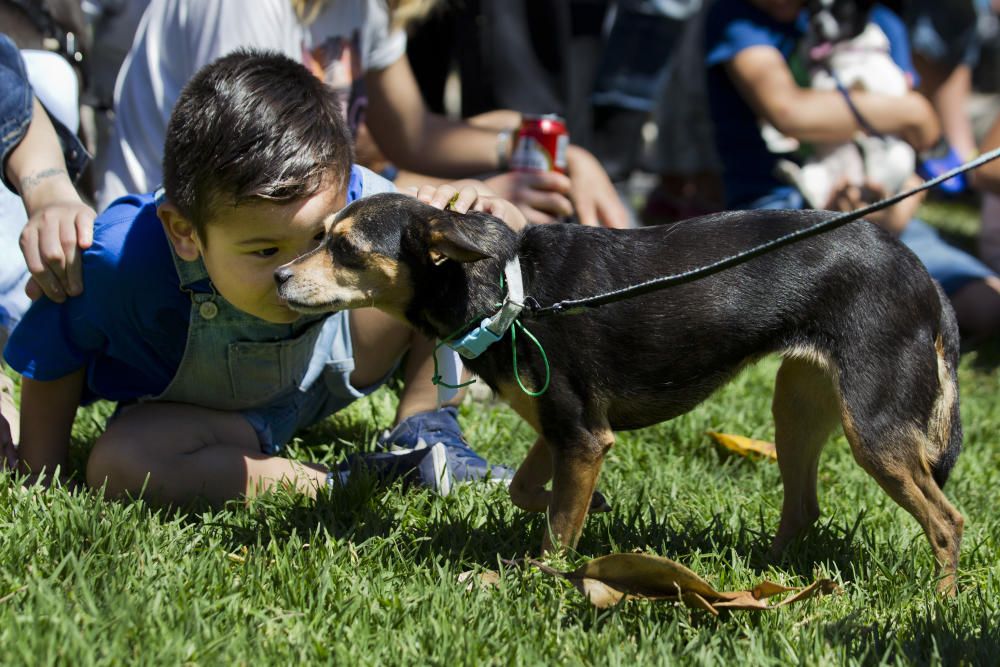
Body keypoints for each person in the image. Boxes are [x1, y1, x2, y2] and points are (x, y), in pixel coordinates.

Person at [4, 50, 520, 501]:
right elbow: (55, 346)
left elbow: (500, 247)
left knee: (438, 261)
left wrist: (486, 221)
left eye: (324, 238)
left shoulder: (366, 200)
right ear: (185, 232)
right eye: (265, 249)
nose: (295, 271)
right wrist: (39, 472)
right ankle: (359, 479)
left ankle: (427, 424)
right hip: (215, 422)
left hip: (341, 359)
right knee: (121, 463)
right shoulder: (118, 257)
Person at [95, 0, 626, 228]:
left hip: (292, 216)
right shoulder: (242, 9)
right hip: (192, 237)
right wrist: (468, 194)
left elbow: (414, 135)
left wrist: (544, 150)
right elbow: (261, 175)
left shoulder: (360, 7)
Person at [704, 0, 1000, 340]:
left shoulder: (882, 23)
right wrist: (912, 113)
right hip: (782, 214)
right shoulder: (739, 18)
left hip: (887, 216)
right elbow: (790, 113)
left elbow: (920, 155)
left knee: (988, 305)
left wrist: (895, 214)